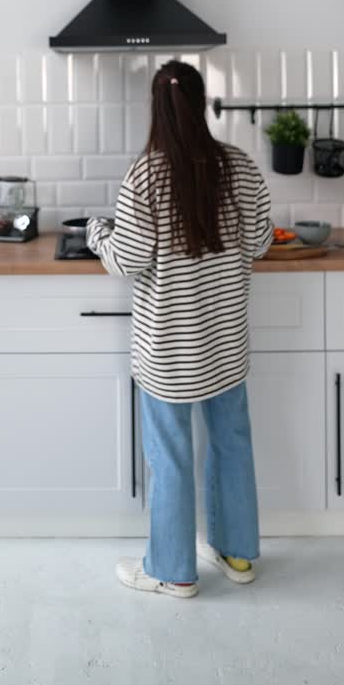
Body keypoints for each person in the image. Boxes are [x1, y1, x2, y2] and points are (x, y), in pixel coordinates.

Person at [86, 59, 274, 599]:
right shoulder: (239, 165)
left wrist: (100, 232)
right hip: (225, 345)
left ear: (157, 108)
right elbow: (261, 241)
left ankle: (172, 571)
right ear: (202, 104)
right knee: (232, 444)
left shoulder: (145, 174)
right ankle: (237, 555)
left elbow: (127, 259)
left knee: (170, 456)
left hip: (168, 350)